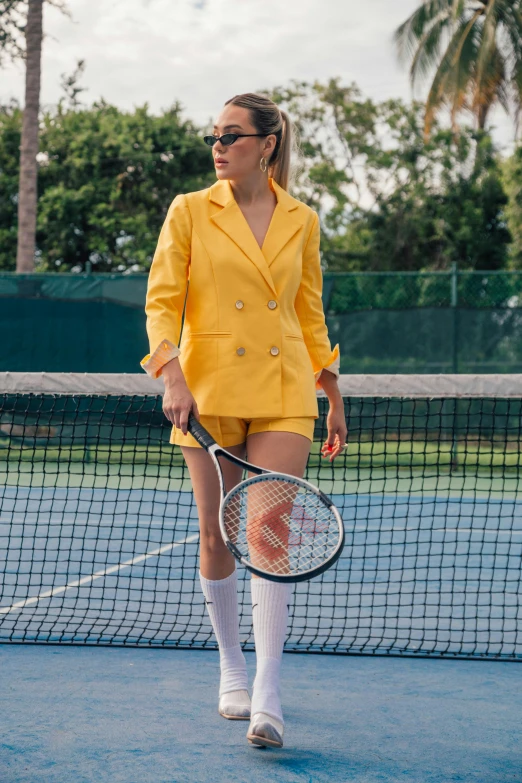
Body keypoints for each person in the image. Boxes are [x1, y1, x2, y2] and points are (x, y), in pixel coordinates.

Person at [140, 92, 347, 749]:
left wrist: (332, 385)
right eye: (215, 137)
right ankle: (231, 666)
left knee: (270, 535)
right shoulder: (190, 211)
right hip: (208, 389)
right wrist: (170, 372)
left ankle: (267, 692)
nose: (219, 147)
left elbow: (308, 310)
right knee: (216, 533)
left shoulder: (303, 220)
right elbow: (163, 299)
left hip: (286, 386)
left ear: (267, 144)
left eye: (232, 136)